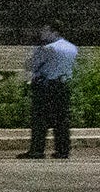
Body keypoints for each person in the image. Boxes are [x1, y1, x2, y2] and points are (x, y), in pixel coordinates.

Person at [23, 22, 76, 159]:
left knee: (40, 119)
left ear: (54, 32)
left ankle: (37, 150)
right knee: (62, 120)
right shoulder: (72, 48)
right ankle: (63, 150)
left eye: (45, 30)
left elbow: (31, 65)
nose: (42, 32)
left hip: (45, 86)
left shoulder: (47, 48)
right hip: (63, 85)